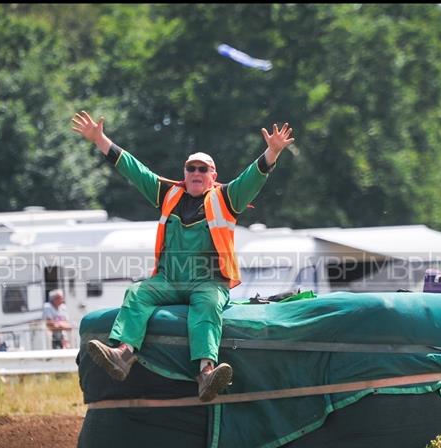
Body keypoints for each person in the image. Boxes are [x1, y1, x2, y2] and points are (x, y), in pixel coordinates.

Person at [71, 110, 294, 402]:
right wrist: (100, 139)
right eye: (192, 168)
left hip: (208, 281)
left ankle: (206, 373)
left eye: (204, 169)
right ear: (184, 173)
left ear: (213, 176)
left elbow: (253, 177)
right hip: (169, 279)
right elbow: (134, 170)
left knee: (208, 306)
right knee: (137, 293)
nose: (197, 173)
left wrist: (272, 151)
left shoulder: (228, 197)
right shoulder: (168, 194)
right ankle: (123, 355)